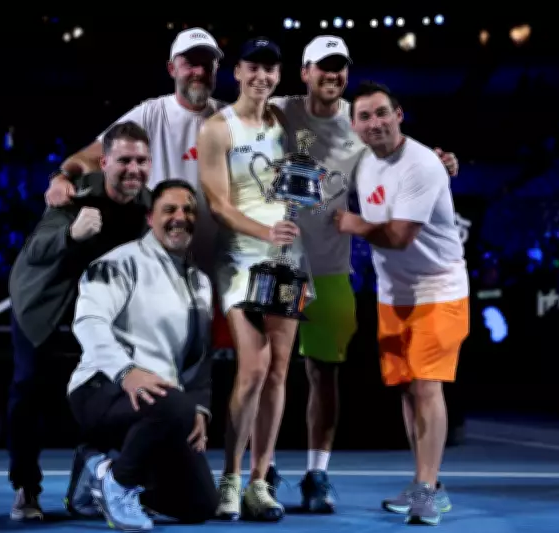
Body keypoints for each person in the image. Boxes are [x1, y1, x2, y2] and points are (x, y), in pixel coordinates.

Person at [264, 36, 459, 514]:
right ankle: (257, 472)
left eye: (339, 67)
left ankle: (319, 474)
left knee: (325, 374)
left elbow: (403, 162)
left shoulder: (361, 123)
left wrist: (439, 163)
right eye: (322, 67)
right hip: (277, 263)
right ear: (304, 71)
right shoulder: (273, 110)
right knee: (264, 372)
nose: (331, 75)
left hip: (334, 269)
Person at [335, 81, 469, 526]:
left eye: (381, 113)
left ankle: (427, 491)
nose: (374, 123)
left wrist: (349, 223)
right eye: (365, 117)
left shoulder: (422, 164)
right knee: (410, 392)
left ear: (399, 114)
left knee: (428, 386)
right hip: (394, 293)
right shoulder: (362, 161)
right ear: (354, 126)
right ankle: (427, 483)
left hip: (439, 288)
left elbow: (397, 236)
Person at [6, 121, 152, 520]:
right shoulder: (75, 195)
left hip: (97, 313)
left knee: (111, 390)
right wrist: (72, 233)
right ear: (104, 163)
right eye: (124, 160)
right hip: (43, 306)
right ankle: (26, 488)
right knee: (28, 387)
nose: (133, 169)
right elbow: (35, 251)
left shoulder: (148, 206)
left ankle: (93, 480)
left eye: (141, 160)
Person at [67, 179, 219, 531]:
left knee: (199, 505)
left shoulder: (200, 282)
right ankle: (115, 484)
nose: (180, 217)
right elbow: (88, 322)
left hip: (161, 405)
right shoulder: (120, 262)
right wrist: (126, 372)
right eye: (170, 210)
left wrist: (198, 407)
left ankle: (96, 470)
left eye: (188, 210)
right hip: (101, 389)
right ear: (150, 217)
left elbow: (199, 357)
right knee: (173, 403)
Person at [197, 38, 296, 522]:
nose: (263, 76)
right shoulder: (218, 127)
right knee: (252, 369)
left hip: (286, 257)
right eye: (254, 67)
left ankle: (260, 481)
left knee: (278, 371)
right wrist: (265, 230)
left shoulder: (287, 123)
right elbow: (218, 204)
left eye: (271, 69)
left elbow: (344, 129)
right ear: (236, 71)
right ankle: (230, 478)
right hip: (241, 254)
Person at [47, 27, 226, 278]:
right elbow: (90, 157)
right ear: (172, 69)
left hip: (218, 259)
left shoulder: (230, 119)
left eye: (207, 64)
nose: (199, 72)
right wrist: (61, 177)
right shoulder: (150, 113)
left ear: (216, 69)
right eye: (190, 64)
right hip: (162, 260)